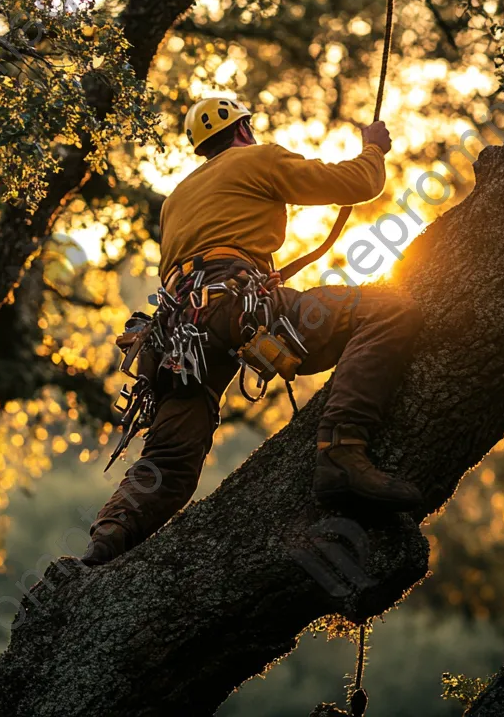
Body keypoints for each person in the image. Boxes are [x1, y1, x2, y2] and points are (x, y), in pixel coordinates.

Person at [82, 97, 423, 565]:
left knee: (169, 463)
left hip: (177, 337)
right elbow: (357, 184)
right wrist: (373, 149)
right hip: (238, 308)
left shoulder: (177, 198)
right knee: (387, 311)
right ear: (243, 129)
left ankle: (111, 531)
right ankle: (342, 453)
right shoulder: (258, 157)